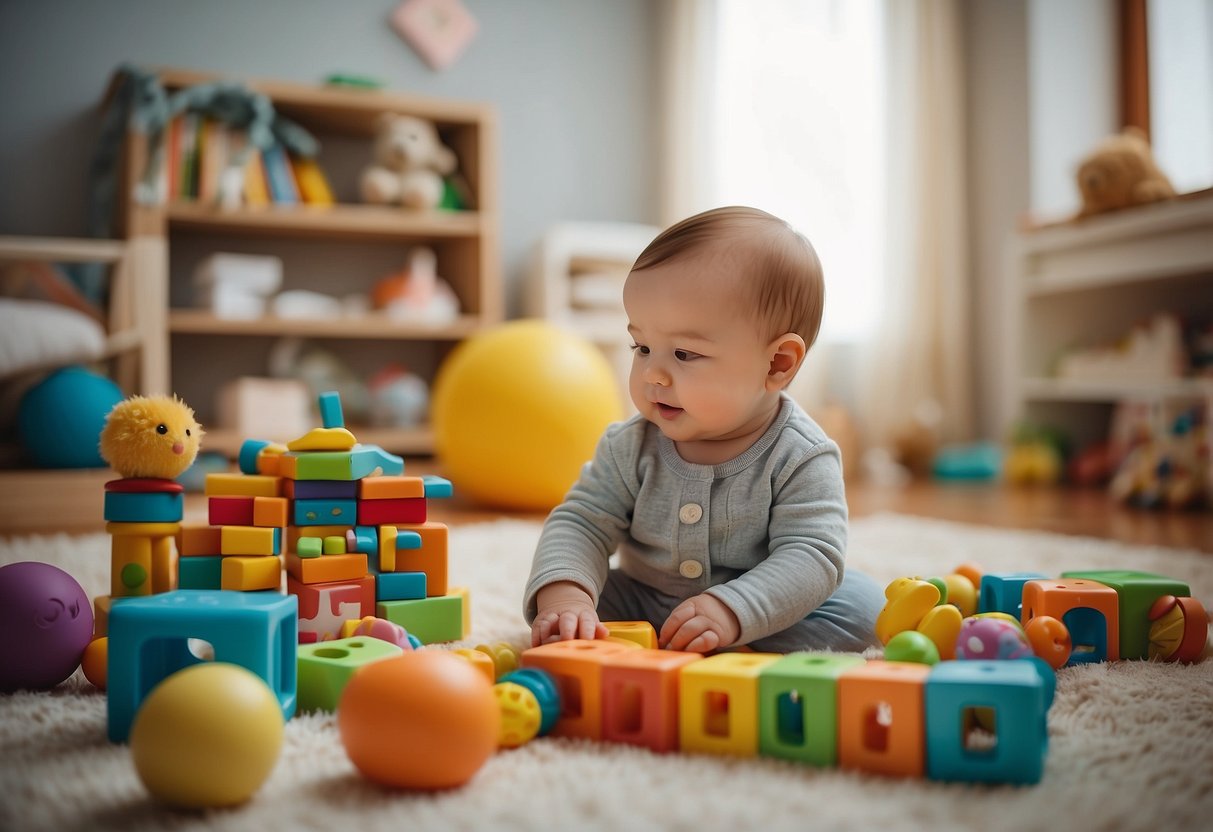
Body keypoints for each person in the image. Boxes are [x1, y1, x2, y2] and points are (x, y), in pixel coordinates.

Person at [523, 206, 883, 654]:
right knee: (574, 605)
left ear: (778, 364)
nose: (653, 374)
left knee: (863, 610)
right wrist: (567, 596)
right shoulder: (630, 445)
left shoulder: (802, 455)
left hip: (759, 606)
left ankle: (731, 640)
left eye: (684, 355)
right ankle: (671, 640)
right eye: (643, 347)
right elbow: (583, 522)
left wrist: (732, 610)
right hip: (645, 600)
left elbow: (811, 555)